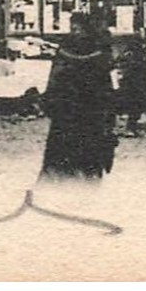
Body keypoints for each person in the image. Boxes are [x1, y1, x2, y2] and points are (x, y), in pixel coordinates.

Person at [39, 10, 117, 182]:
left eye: (77, 28)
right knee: (88, 152)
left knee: (62, 151)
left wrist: (49, 100)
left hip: (68, 109)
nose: (75, 31)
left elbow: (55, 78)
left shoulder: (65, 50)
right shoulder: (100, 50)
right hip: (90, 110)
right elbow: (107, 84)